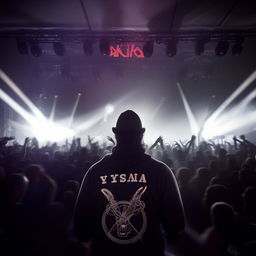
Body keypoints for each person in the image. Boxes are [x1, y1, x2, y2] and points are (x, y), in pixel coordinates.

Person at [74, 110, 185, 256]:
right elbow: (176, 226)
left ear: (115, 134)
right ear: (141, 134)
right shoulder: (161, 172)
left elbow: (81, 231)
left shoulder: (94, 172)